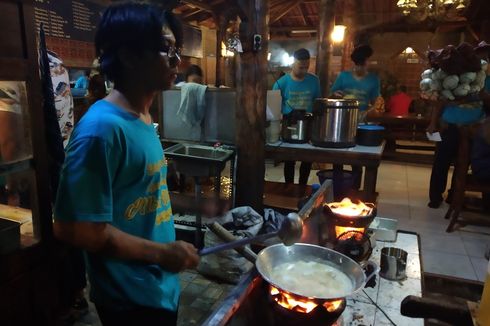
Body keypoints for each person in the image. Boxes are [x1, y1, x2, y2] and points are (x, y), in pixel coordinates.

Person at [53, 3, 199, 326]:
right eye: (166, 49)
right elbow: (74, 228)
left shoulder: (143, 117)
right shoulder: (101, 130)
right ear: (129, 55)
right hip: (129, 299)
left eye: (177, 50)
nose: (177, 61)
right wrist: (163, 254)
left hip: (158, 287)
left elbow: (132, 195)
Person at [330, 44, 381, 190]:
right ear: (354, 63)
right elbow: (332, 94)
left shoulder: (373, 80)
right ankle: (337, 185)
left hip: (362, 121)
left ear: (367, 63)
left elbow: (375, 102)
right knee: (339, 156)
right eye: (358, 65)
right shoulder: (343, 76)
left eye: (363, 64)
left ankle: (354, 189)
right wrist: (335, 95)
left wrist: (373, 110)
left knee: (357, 157)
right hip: (342, 119)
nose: (361, 68)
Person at [273, 48, 320, 185]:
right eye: (301, 67)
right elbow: (275, 107)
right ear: (292, 63)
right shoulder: (281, 83)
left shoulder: (314, 81)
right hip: (290, 124)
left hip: (309, 124)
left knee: (307, 159)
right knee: (290, 159)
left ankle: (303, 187)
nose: (304, 71)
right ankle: (289, 187)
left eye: (307, 67)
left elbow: (317, 102)